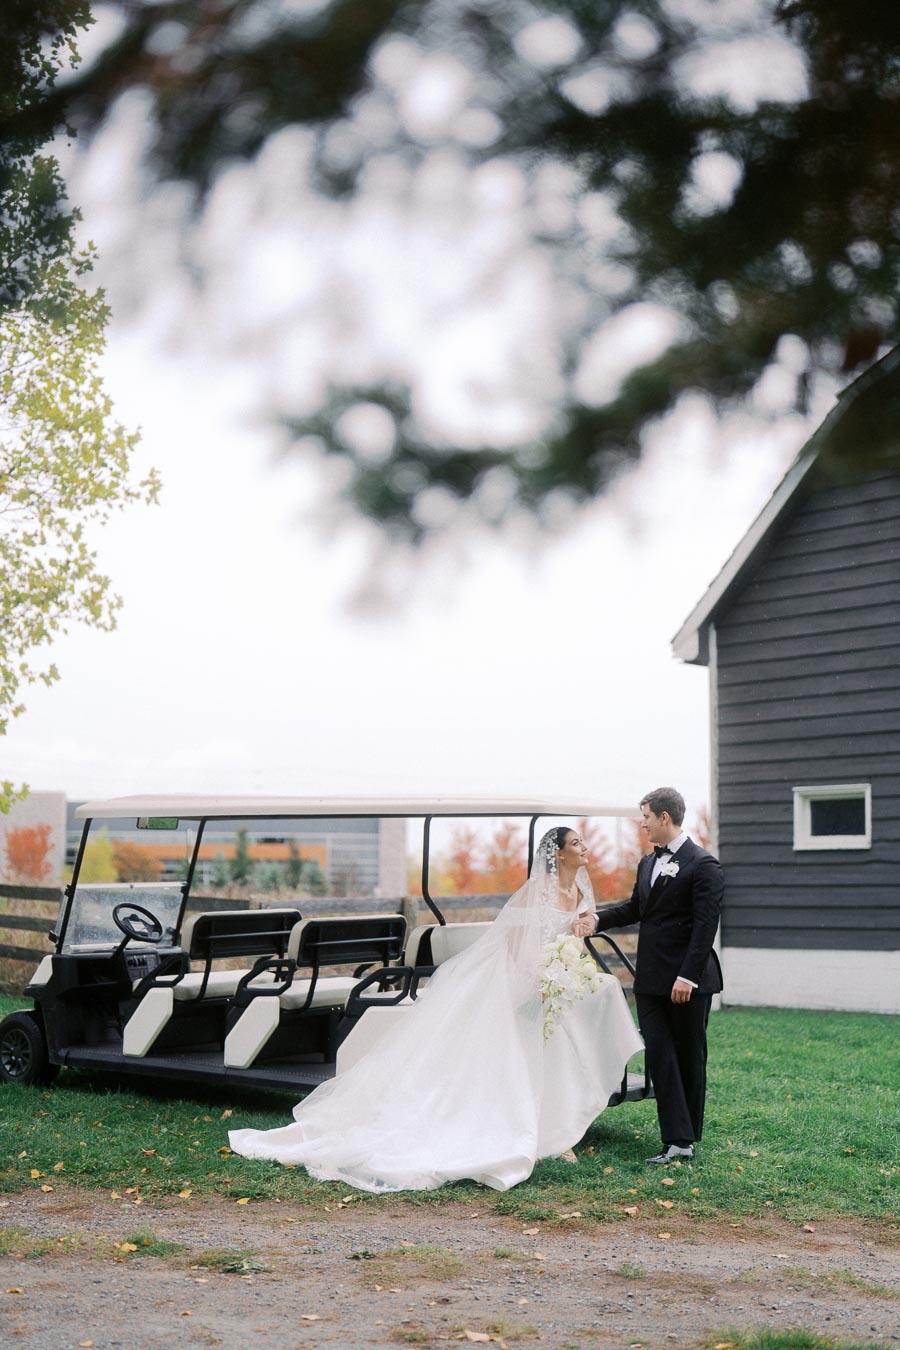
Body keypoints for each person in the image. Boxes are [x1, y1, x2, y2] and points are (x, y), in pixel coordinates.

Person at [229, 826, 643, 1192]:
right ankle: (529, 1130)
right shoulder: (537, 891)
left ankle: (557, 1129)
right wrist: (539, 977)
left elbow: (576, 939)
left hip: (554, 977)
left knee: (564, 1044)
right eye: (577, 843)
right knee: (525, 1057)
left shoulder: (582, 890)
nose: (585, 847)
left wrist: (567, 971)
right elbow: (517, 946)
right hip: (521, 979)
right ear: (557, 854)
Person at [574, 787, 723, 1165]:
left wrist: (687, 977)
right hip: (651, 979)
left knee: (689, 1056)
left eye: (646, 817)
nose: (642, 824)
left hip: (688, 981)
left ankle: (684, 1140)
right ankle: (677, 1139)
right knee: (659, 1055)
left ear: (664, 818)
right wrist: (597, 918)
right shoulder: (647, 863)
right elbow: (637, 907)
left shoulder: (704, 866)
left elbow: (705, 927)